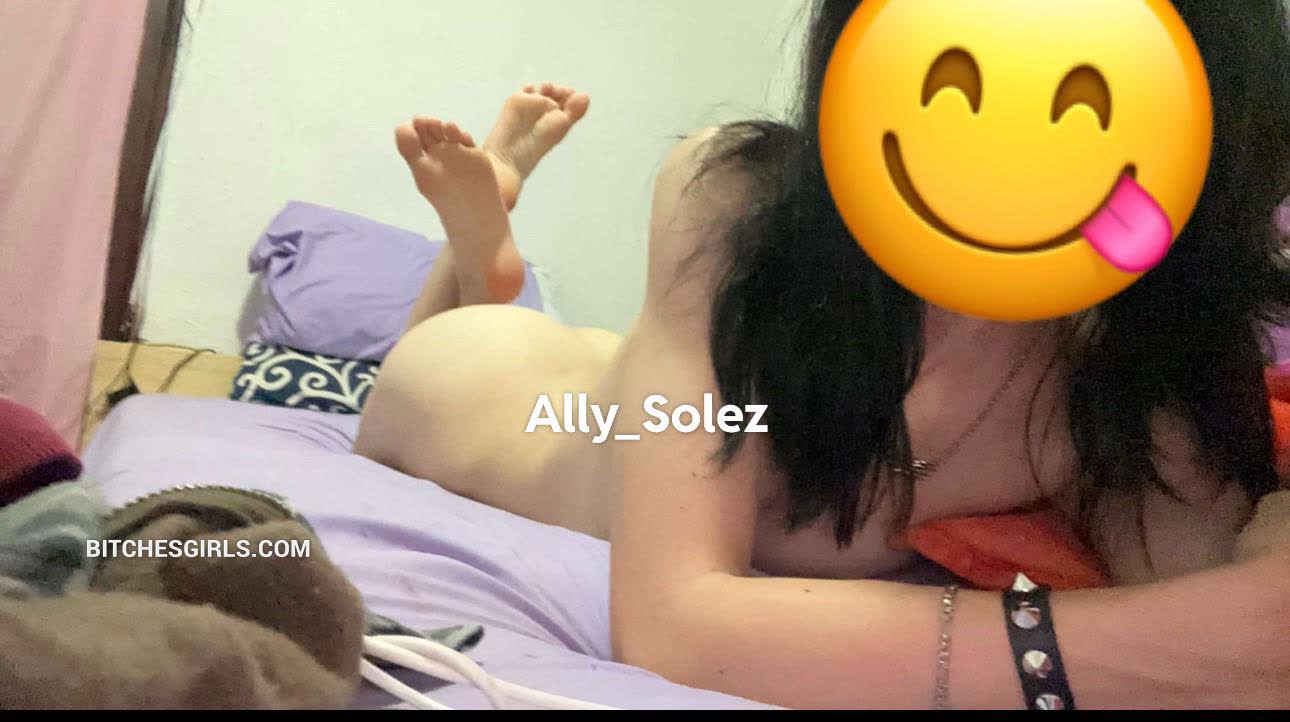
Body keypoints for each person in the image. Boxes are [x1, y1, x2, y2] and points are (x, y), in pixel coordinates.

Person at [355, 1, 1290, 709]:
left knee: (626, 359)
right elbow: (675, 630)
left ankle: (490, 253)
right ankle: (479, 254)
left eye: (1083, 104)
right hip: (496, 396)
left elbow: (1230, 598)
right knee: (454, 347)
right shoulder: (738, 204)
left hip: (650, 385)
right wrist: (1163, 641)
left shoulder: (1126, 365)